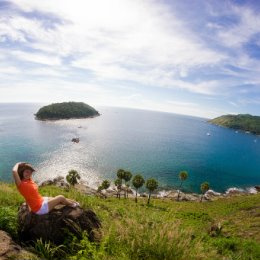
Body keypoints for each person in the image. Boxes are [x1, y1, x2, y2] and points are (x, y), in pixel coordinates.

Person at [12, 162, 79, 215]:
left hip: (41, 200)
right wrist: (18, 164)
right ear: (22, 172)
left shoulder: (29, 180)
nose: (29, 174)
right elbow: (14, 171)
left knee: (57, 198)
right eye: (26, 171)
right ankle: (73, 205)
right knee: (60, 197)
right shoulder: (20, 184)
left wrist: (28, 204)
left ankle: (75, 202)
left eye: (30, 172)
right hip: (39, 208)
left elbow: (28, 195)